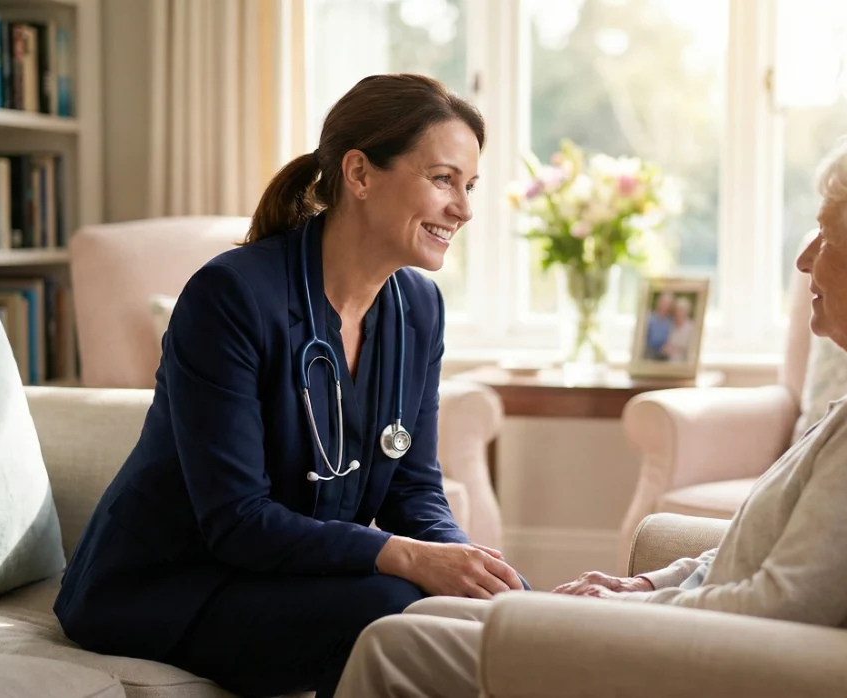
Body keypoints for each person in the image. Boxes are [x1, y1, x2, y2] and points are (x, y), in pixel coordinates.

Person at [335, 115, 847, 697]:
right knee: (422, 621)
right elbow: (775, 552)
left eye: (829, 237)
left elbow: (781, 607)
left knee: (396, 646)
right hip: (691, 627)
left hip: (706, 659)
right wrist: (644, 585)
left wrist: (629, 611)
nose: (805, 261)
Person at [53, 74, 525, 698]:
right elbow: (238, 520)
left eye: (469, 186)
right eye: (443, 179)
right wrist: (406, 556)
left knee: (500, 610)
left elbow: (413, 490)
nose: (462, 209)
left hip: (285, 574)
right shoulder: (232, 296)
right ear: (359, 174)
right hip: (167, 585)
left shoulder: (419, 307)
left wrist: (472, 573)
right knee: (391, 606)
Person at [660, 295, 696, 362]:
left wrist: (675, 350)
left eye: (680, 310)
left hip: (683, 363)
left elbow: (692, 350)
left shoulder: (691, 327)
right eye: (676, 310)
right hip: (667, 362)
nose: (677, 312)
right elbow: (665, 344)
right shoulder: (670, 324)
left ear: (686, 311)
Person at [643, 291, 675, 360]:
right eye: (664, 303)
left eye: (668, 304)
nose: (665, 306)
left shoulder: (670, 321)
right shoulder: (649, 318)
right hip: (649, 354)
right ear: (658, 303)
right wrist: (660, 348)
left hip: (664, 356)